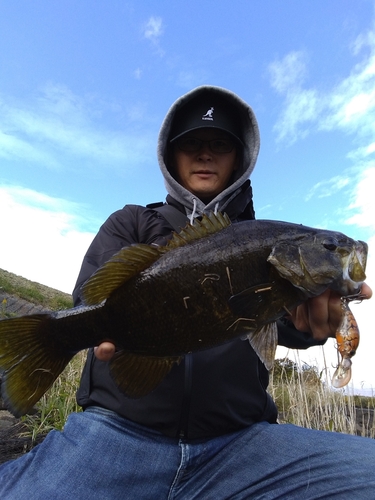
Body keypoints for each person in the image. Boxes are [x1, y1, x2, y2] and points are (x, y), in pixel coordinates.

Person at [0, 85, 374, 499]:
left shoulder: (266, 240)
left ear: (239, 159)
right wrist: (90, 329)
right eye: (191, 143)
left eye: (220, 144)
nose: (205, 153)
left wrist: (312, 325)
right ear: (171, 154)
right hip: (116, 434)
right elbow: (92, 301)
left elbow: (281, 329)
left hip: (242, 445)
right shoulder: (132, 222)